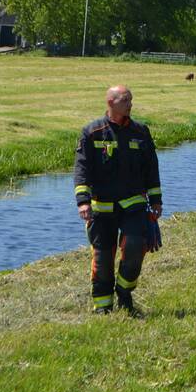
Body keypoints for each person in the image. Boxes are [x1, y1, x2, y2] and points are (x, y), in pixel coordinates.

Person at [74, 85, 163, 315]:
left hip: (133, 205)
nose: (130, 104)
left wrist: (156, 200)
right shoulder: (92, 132)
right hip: (101, 209)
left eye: (131, 100)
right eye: (126, 100)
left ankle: (124, 292)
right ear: (111, 103)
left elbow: (151, 169)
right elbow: (81, 169)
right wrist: (83, 201)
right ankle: (103, 308)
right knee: (103, 260)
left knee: (135, 246)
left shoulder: (141, 132)